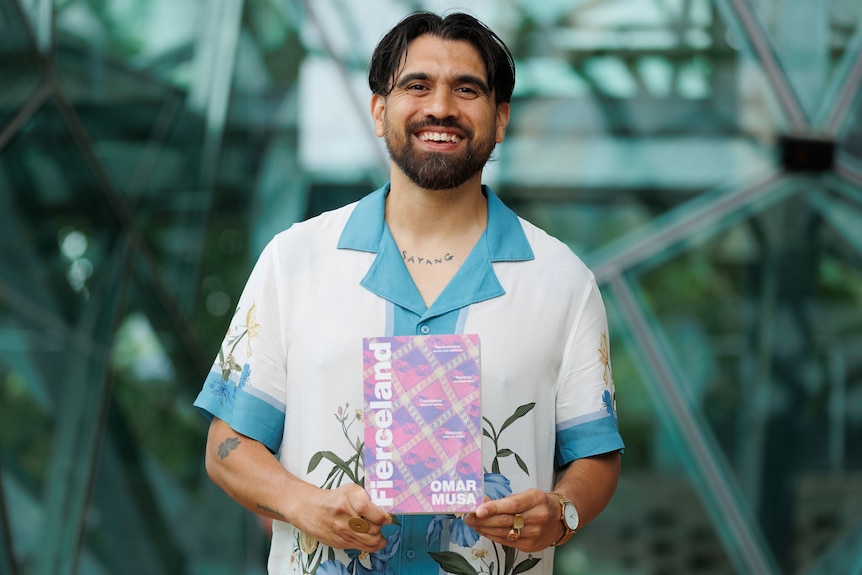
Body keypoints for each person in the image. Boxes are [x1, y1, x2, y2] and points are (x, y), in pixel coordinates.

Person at [194, 11, 623, 575]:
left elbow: (596, 455)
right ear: (379, 110)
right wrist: (308, 507)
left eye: (466, 90)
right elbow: (227, 447)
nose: (440, 107)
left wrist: (562, 510)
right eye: (416, 85)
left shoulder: (562, 281)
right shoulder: (293, 260)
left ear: (500, 119)